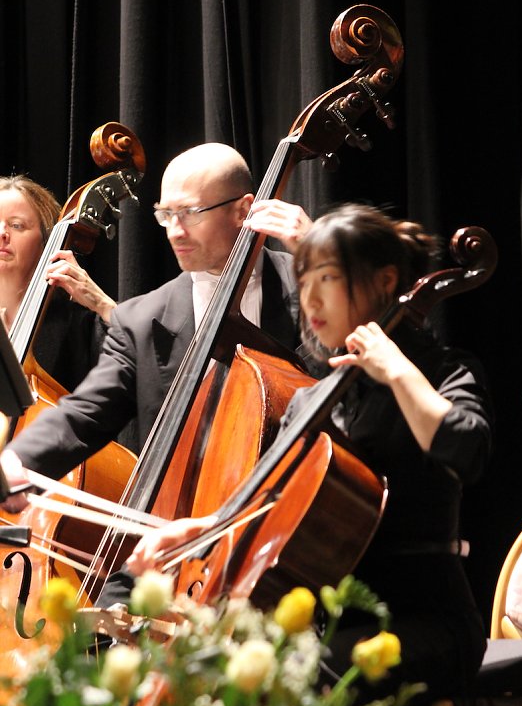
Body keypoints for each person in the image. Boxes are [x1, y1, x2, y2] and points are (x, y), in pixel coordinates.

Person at [123, 203, 493, 705]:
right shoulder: (314, 398)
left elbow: (465, 450)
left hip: (427, 622)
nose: (310, 299)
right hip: (330, 626)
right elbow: (259, 502)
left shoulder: (444, 371)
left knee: (281, 683)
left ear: (384, 281)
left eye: (329, 279)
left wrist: (398, 371)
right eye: (304, 280)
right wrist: (193, 531)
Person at [0, 144, 306, 512]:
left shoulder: (309, 289)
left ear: (242, 210)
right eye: (166, 214)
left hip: (298, 517)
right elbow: (84, 415)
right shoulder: (142, 320)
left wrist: (322, 259)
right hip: (176, 528)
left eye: (190, 213)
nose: (174, 231)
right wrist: (15, 463)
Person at [0, 174, 117, 392]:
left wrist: (103, 305)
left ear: (45, 243)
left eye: (16, 225)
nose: (2, 234)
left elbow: (149, 365)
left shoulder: (78, 326)